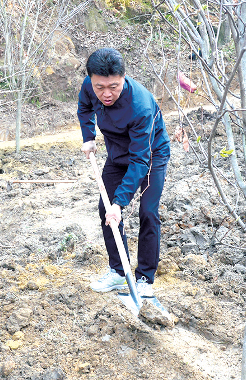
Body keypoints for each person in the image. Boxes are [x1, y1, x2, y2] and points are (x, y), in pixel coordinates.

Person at [77, 48, 170, 303]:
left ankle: (144, 279)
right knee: (104, 211)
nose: (106, 93)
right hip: (117, 152)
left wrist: (120, 202)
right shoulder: (90, 85)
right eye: (100, 87)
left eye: (114, 87)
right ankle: (119, 270)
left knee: (148, 212)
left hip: (150, 155)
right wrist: (88, 137)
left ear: (124, 77)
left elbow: (140, 160)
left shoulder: (140, 105)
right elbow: (84, 107)